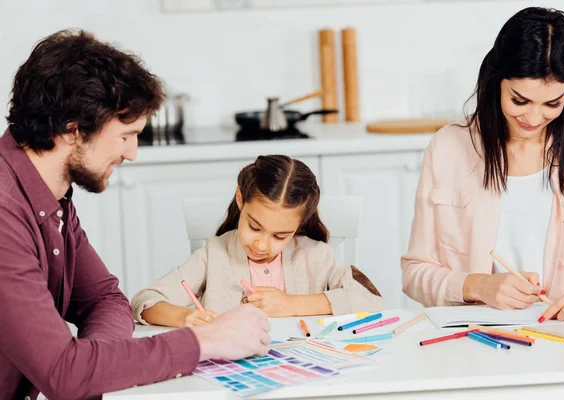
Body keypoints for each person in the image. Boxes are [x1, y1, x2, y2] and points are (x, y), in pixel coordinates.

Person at [0, 29, 270, 400]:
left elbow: (105, 300)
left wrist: (95, 366)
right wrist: (202, 341)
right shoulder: (4, 212)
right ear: (72, 130)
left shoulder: (49, 195)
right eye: (126, 135)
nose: (132, 153)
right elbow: (63, 374)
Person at [402, 7, 564, 323]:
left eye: (552, 104)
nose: (534, 118)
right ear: (495, 82)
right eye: (519, 101)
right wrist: (478, 286)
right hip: (478, 338)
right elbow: (414, 275)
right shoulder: (450, 148)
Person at [131, 154, 383, 328]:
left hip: (301, 371)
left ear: (299, 225)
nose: (262, 245)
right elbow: (144, 301)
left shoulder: (315, 255)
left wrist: (291, 305)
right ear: (241, 200)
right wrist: (186, 316)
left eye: (279, 236)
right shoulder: (215, 254)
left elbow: (370, 299)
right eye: (254, 226)